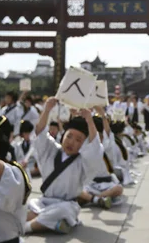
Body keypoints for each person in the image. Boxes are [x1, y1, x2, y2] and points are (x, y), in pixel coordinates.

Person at [25, 98, 102, 235]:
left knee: (63, 210)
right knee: (23, 207)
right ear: (63, 136)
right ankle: (52, 223)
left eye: (78, 140)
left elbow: (95, 147)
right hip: (44, 201)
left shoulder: (83, 161)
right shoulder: (51, 150)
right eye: (69, 136)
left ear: (83, 144)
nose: (71, 142)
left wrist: (89, 119)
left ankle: (27, 228)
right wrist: (47, 109)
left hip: (66, 204)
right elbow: (40, 132)